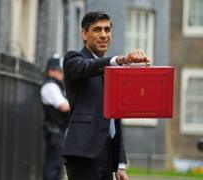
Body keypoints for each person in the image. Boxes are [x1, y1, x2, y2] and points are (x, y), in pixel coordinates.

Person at [62, 11, 150, 180]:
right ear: (84, 34)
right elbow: (88, 67)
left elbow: (115, 119)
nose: (104, 35)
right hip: (83, 153)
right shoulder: (74, 59)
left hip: (107, 154)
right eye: (97, 30)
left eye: (107, 30)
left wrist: (120, 164)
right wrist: (121, 60)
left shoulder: (113, 72)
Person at [40, 55, 70, 180]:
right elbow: (64, 106)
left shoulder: (56, 85)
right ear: (51, 71)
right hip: (54, 131)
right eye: (60, 71)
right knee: (53, 165)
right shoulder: (50, 86)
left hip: (59, 131)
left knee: (57, 165)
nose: (62, 74)